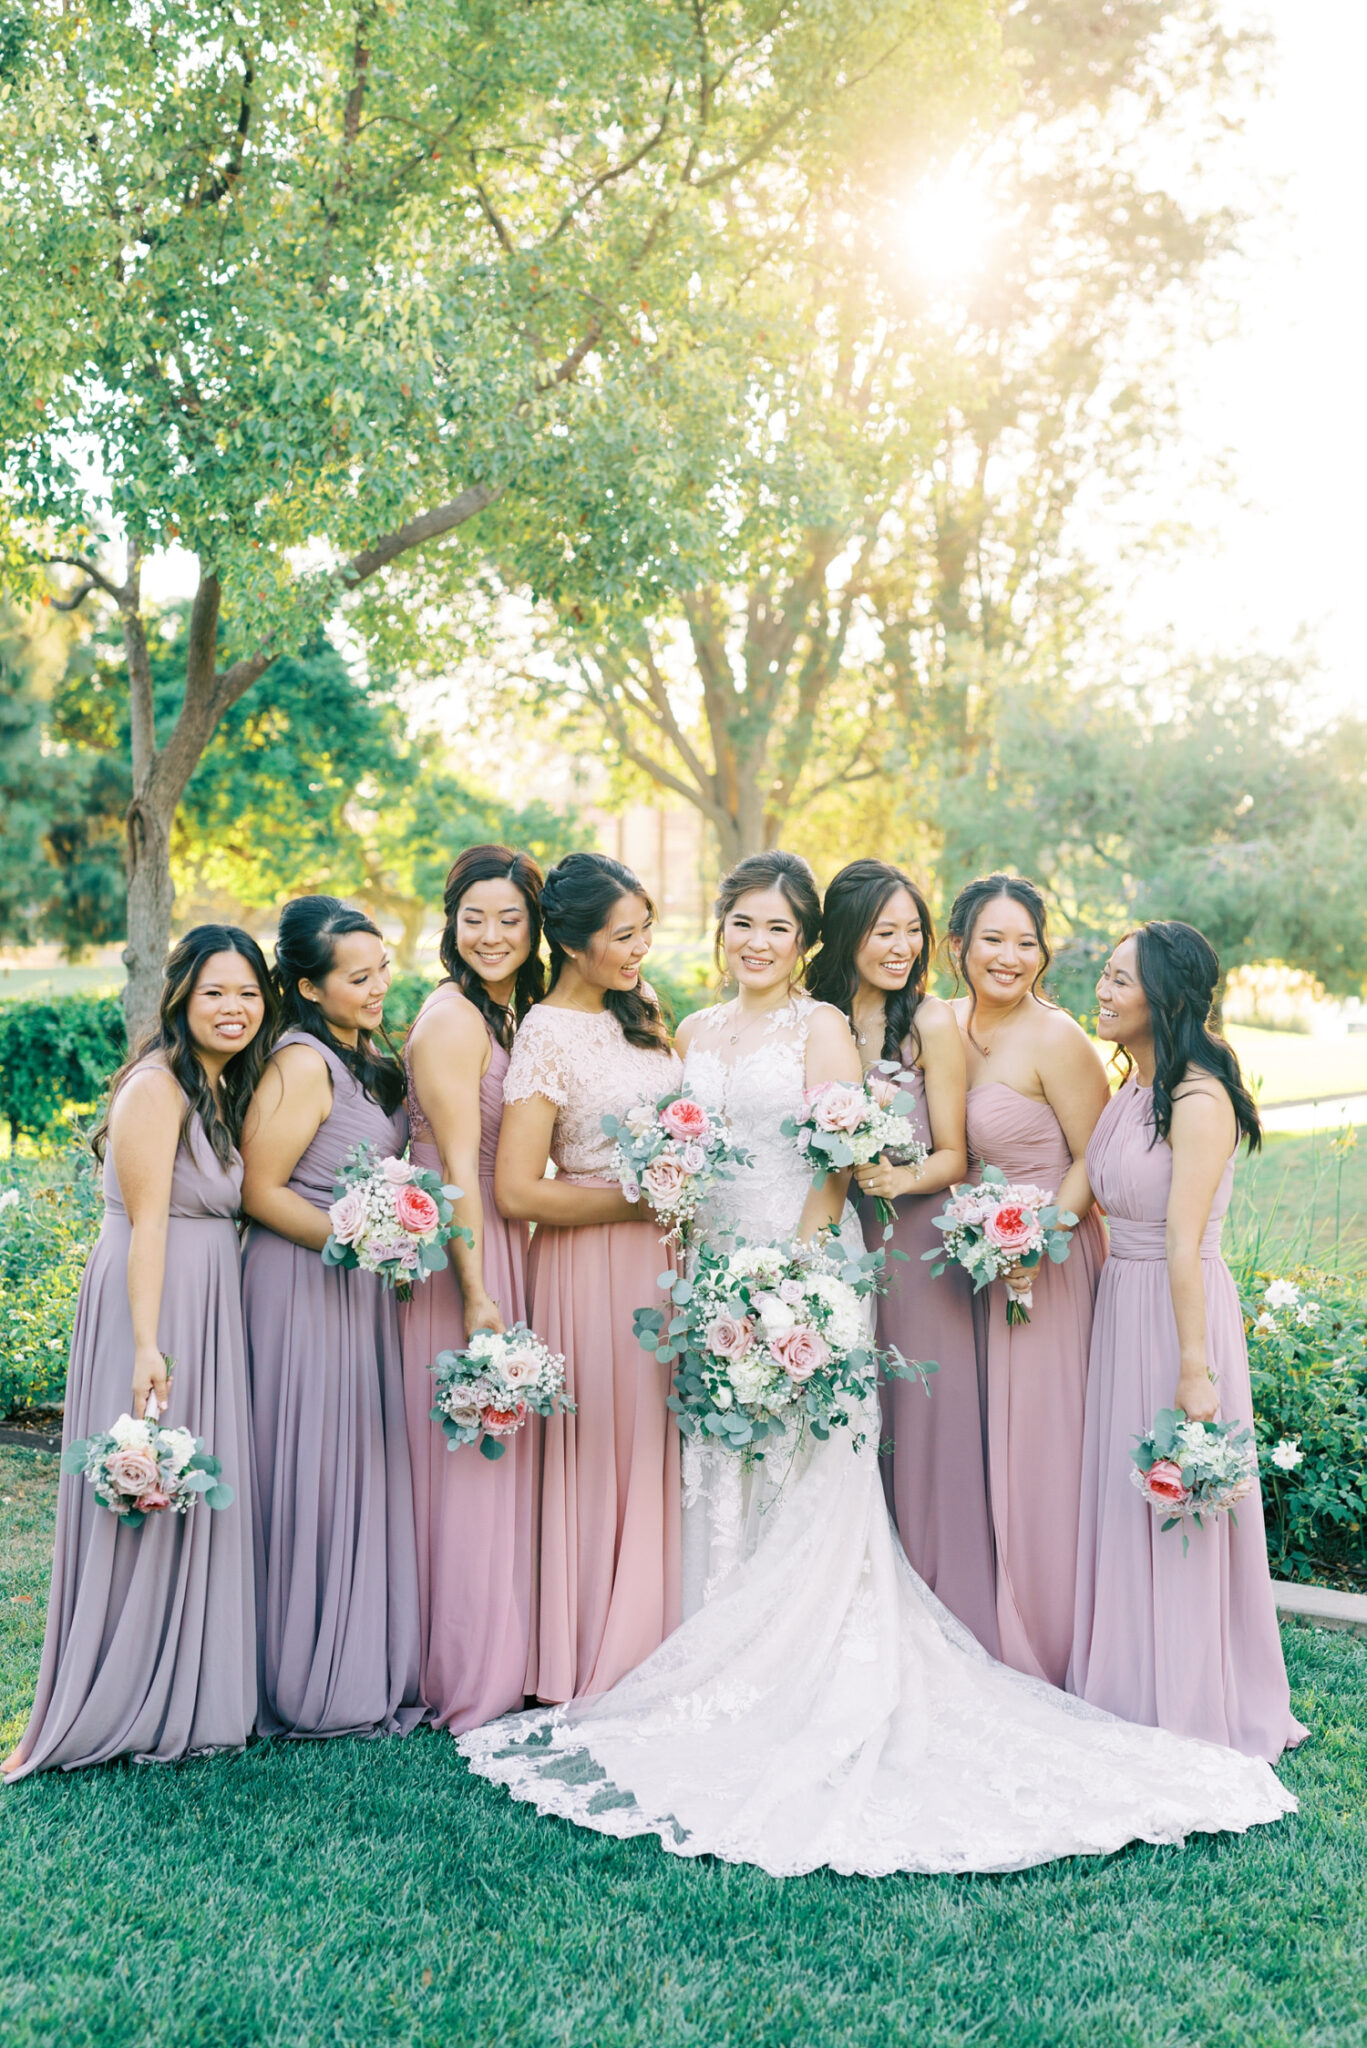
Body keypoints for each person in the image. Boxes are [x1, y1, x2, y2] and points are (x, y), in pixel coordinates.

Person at [458, 856, 1295, 1880]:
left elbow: (831, 1163)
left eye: (775, 927)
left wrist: (791, 1283)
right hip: (712, 1273)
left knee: (811, 1476)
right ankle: (711, 1649)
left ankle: (814, 1667)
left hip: (800, 1273)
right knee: (724, 1474)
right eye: (740, 924)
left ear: (803, 940)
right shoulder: (693, 1032)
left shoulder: (817, 1028)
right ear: (718, 929)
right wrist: (713, 1264)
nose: (755, 942)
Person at [5, 927, 273, 1779]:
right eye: (214, 994)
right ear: (180, 1000)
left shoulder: (220, 1085)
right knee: (147, 1477)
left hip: (205, 1299)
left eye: (248, 994)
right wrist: (148, 1343)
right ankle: (118, 1692)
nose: (233, 1009)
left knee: (188, 1485)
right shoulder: (157, 1089)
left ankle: (187, 1687)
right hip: (150, 1302)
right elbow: (146, 1225)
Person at [1069, 921, 1307, 1760]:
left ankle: (1190, 1690)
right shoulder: (1135, 1084)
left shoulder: (1197, 1097)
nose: (1100, 991)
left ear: (1161, 999)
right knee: (1125, 1493)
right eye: (1101, 975)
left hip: (1178, 1317)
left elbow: (1182, 1241)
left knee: (1178, 1497)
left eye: (1118, 981)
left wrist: (1195, 1370)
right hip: (1120, 1302)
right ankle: (1127, 1677)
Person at [494, 851, 682, 1702]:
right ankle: (589, 1642)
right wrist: (640, 1200)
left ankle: (661, 1622)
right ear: (572, 944)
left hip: (665, 1263)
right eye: (623, 936)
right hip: (591, 1264)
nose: (640, 949)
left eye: (645, 930)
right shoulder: (544, 1034)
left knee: (660, 1438)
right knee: (606, 1443)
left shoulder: (638, 1011)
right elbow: (517, 1188)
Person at [241, 896, 422, 1739]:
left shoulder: (361, 1050)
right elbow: (259, 1190)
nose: (380, 984)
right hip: (299, 1284)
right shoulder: (301, 1063)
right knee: (307, 1470)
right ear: (309, 987)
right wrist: (363, 1241)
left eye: (382, 967)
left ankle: (349, 1648)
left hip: (352, 1284)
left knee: (351, 1463)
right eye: (359, 976)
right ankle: (299, 1666)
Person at [807, 859, 995, 1653]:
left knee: (920, 1425)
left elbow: (955, 1153)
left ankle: (944, 1613)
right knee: (845, 1429)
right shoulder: (809, 1019)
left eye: (912, 930)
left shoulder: (931, 1025)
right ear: (846, 933)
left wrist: (897, 1175)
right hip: (827, 1247)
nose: (902, 945)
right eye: (884, 930)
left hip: (913, 1244)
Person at [947, 874, 1109, 1686]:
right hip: (968, 1266)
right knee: (981, 1451)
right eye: (992, 940)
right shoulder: (944, 1026)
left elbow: (1095, 1158)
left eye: (1025, 942)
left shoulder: (1056, 1038)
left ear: (1043, 953)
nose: (1009, 957)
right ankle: (984, 1617)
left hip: (1047, 1266)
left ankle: (1052, 1639)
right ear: (958, 948)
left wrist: (1035, 1241)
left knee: (1041, 1450)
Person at [400, 845, 545, 1731]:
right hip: (466, 1250)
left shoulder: (503, 1011)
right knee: (466, 1463)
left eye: (510, 919)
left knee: (490, 1457)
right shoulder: (453, 1019)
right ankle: (466, 1670)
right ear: (450, 926)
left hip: (497, 1236)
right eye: (473, 919)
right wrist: (478, 1289)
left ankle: (500, 1645)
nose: (491, 935)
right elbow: (455, 1166)